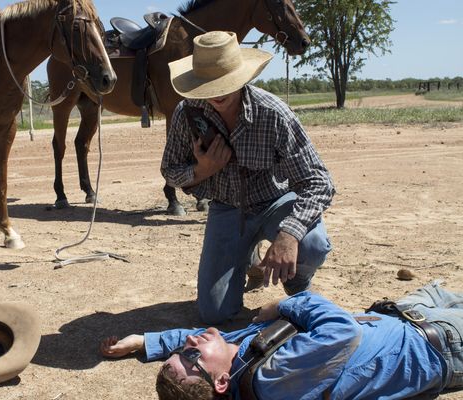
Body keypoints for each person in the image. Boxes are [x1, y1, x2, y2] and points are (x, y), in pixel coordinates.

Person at [161, 30, 335, 325]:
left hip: (275, 202)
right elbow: (169, 170)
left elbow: (319, 181)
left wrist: (289, 234)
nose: (217, 93)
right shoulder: (187, 113)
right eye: (208, 84)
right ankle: (250, 257)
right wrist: (203, 170)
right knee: (214, 313)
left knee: (312, 244)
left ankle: (296, 281)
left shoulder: (273, 113)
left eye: (225, 82)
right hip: (226, 208)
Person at [100, 280, 463, 399]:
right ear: (222, 382)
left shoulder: (233, 357)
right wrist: (283, 303)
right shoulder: (271, 379)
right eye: (192, 358)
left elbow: (195, 340)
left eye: (184, 350)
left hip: (403, 311)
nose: (191, 344)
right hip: (441, 343)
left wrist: (144, 342)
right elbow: (342, 330)